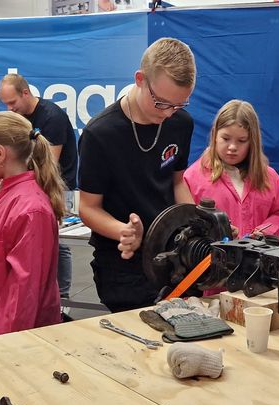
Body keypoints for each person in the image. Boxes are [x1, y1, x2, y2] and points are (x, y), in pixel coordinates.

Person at [78, 37, 195, 313]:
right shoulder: (100, 134)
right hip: (123, 265)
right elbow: (87, 207)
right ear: (140, 79)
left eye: (179, 105)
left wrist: (199, 223)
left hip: (174, 258)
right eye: (161, 103)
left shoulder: (181, 124)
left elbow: (177, 182)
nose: (168, 114)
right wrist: (124, 231)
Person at [0, 111, 66, 342]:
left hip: (10, 338)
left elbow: (23, 295)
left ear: (0, 153)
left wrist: (3, 347)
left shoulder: (31, 210)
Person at [0, 73, 77, 310]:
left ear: (25, 93)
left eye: (13, 103)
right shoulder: (20, 117)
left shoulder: (51, 116)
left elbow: (48, 163)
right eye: (6, 104)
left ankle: (62, 297)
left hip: (59, 186)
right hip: (34, 186)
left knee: (59, 242)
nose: (10, 109)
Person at [183, 99, 279, 243]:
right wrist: (218, 230)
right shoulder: (193, 177)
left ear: (252, 141)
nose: (232, 147)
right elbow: (185, 224)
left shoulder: (269, 177)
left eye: (241, 140)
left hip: (258, 261)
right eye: (226, 138)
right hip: (212, 261)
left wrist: (265, 233)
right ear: (214, 135)